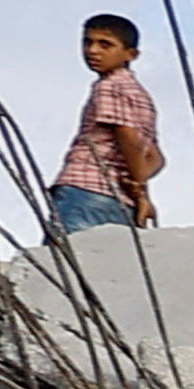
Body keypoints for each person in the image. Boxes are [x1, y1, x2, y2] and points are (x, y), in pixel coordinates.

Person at [49, 13, 161, 235]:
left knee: (64, 262)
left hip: (85, 189)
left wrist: (139, 189)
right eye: (88, 42)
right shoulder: (140, 95)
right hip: (120, 200)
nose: (92, 51)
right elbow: (155, 158)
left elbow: (127, 137)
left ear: (131, 54)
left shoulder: (109, 86)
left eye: (105, 45)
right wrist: (139, 191)